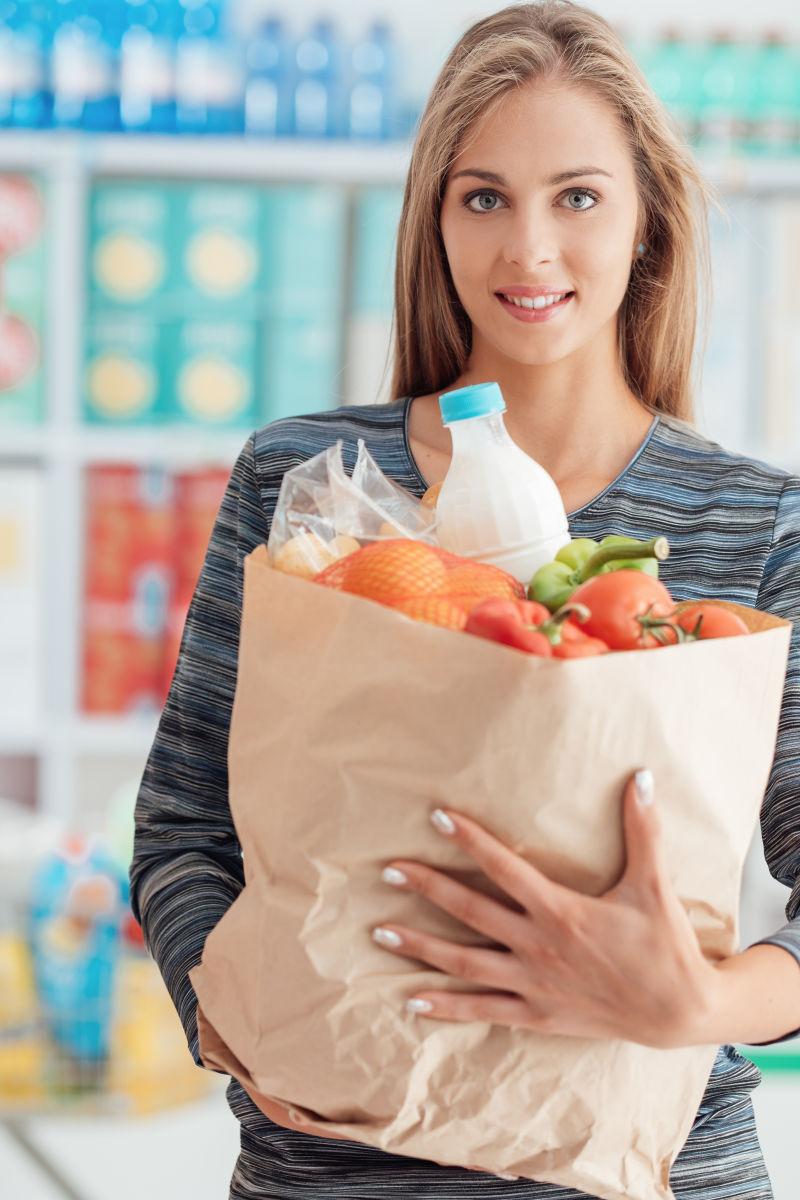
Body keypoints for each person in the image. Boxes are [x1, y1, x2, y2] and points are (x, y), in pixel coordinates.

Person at [130, 2, 800, 1196]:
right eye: (482, 197)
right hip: (329, 1164)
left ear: (647, 223)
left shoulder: (752, 524)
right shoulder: (311, 490)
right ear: (433, 223)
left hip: (646, 1162)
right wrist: (229, 1018)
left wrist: (702, 998)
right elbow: (184, 820)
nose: (527, 251)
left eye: (577, 197)